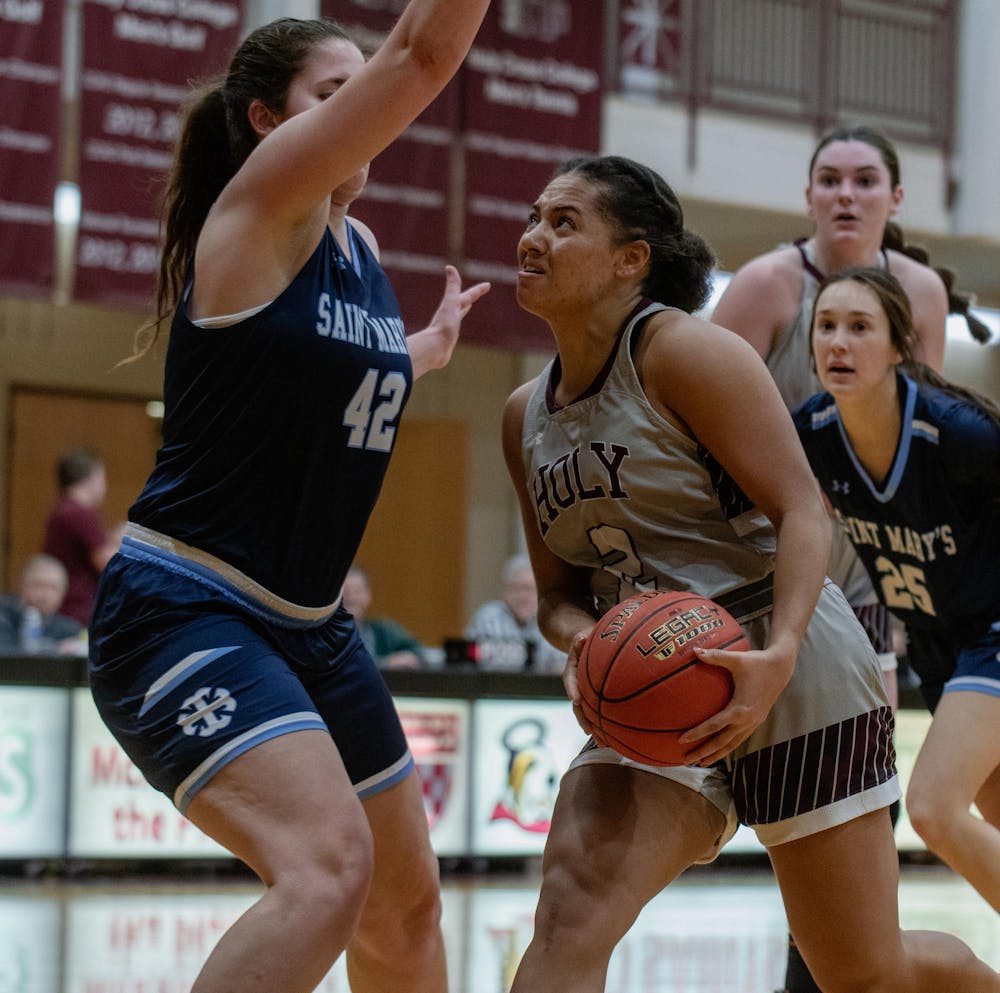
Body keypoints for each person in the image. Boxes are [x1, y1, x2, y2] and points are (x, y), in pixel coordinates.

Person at [501, 155, 999, 993]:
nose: (532, 237)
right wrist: (588, 641)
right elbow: (557, 594)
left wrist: (782, 653)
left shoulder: (688, 353)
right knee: (571, 908)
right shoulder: (524, 414)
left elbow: (805, 511)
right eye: (534, 215)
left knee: (862, 974)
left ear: (633, 259)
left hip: (789, 653)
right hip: (658, 663)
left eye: (564, 222)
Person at [86, 7, 491, 993]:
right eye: (333, 94)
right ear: (271, 122)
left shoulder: (356, 253)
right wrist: (401, 65)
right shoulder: (257, 210)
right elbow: (422, 53)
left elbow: (335, 372)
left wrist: (424, 352)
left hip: (308, 626)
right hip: (184, 606)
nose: (361, 109)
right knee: (325, 872)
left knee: (406, 903)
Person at [710, 126, 978, 991]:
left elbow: (920, 445)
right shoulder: (764, 285)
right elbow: (696, 417)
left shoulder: (925, 296)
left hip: (899, 589)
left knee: (873, 800)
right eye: (829, 179)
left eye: (866, 180)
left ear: (896, 200)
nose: (846, 195)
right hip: (788, 577)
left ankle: (845, 973)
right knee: (806, 800)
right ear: (809, 195)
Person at [793, 266, 1000, 913]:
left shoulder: (959, 434)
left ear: (898, 345)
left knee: (934, 808)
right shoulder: (813, 432)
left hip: (991, 635)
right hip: (938, 647)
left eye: (860, 327)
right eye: (826, 326)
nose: (839, 343)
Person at [43, 448, 119, 626]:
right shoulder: (78, 513)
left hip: (70, 609)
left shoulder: (63, 510)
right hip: (77, 612)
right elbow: (108, 563)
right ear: (92, 478)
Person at [464, 553, 566, 673]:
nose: (522, 597)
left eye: (528, 589)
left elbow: (563, 665)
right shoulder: (488, 618)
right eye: (515, 589)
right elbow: (467, 659)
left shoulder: (550, 620)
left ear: (540, 592)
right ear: (504, 592)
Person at [341, 565, 425, 669]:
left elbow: (418, 652)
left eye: (358, 591)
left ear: (368, 595)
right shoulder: (323, 634)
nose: (352, 598)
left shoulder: (382, 630)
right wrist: (385, 663)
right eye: (346, 591)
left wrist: (407, 658)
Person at [0, 554, 86, 655]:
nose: (45, 596)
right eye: (39, 586)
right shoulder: (4, 618)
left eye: (53, 588)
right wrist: (56, 651)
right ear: (22, 585)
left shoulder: (71, 630)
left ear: (63, 594)